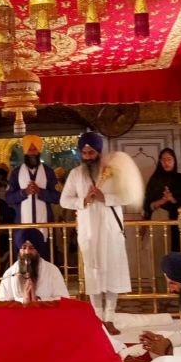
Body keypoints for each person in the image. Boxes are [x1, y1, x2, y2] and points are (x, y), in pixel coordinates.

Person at [60, 132, 130, 335]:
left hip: (110, 231)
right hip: (89, 231)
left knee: (112, 272)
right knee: (94, 273)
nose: (88, 156)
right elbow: (64, 200)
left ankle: (109, 318)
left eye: (91, 152)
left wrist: (104, 197)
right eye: (84, 152)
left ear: (99, 152)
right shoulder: (75, 174)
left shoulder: (114, 172)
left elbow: (126, 196)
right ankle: (97, 318)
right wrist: (82, 201)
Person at [142, 148, 181, 252]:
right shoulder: (155, 180)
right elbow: (147, 205)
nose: (166, 162)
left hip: (178, 225)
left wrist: (173, 199)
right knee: (159, 257)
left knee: (177, 257)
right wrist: (162, 201)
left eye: (169, 159)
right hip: (158, 225)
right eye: (163, 160)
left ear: (174, 161)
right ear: (160, 162)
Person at [6, 135, 61, 247]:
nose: (32, 152)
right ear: (25, 152)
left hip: (45, 226)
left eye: (34, 149)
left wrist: (40, 192)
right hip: (22, 226)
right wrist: (24, 192)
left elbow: (58, 197)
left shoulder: (48, 172)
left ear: (39, 150)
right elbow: (8, 198)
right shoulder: (16, 173)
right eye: (29, 149)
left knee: (45, 258)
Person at [0, 229, 70, 303]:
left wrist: (38, 301)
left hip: (45, 314)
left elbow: (64, 300)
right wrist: (23, 301)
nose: (27, 252)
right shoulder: (10, 274)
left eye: (31, 248)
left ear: (38, 250)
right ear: (19, 250)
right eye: (24, 248)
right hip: (19, 314)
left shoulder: (52, 271)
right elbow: (2, 303)